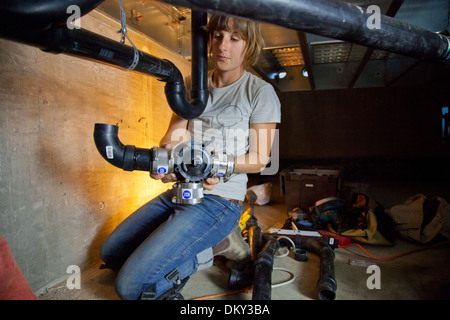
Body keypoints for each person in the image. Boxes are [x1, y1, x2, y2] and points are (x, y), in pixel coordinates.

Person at [100, 14, 281, 300]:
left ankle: (206, 252)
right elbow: (173, 136)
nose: (223, 45)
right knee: (111, 254)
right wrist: (171, 161)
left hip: (219, 202)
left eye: (235, 39)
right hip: (181, 190)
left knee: (129, 286)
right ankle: (203, 242)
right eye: (218, 36)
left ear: (250, 45)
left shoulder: (259, 92)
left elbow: (260, 158)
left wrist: (219, 165)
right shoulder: (189, 83)